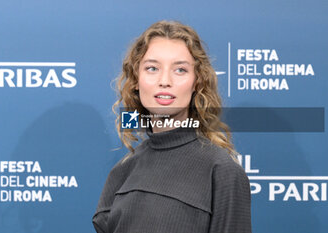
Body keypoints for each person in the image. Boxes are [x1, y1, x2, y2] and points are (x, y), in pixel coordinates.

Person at [92, 20, 252, 233]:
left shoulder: (221, 171)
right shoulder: (123, 170)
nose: (164, 80)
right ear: (136, 80)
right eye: (152, 68)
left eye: (180, 70)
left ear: (197, 82)